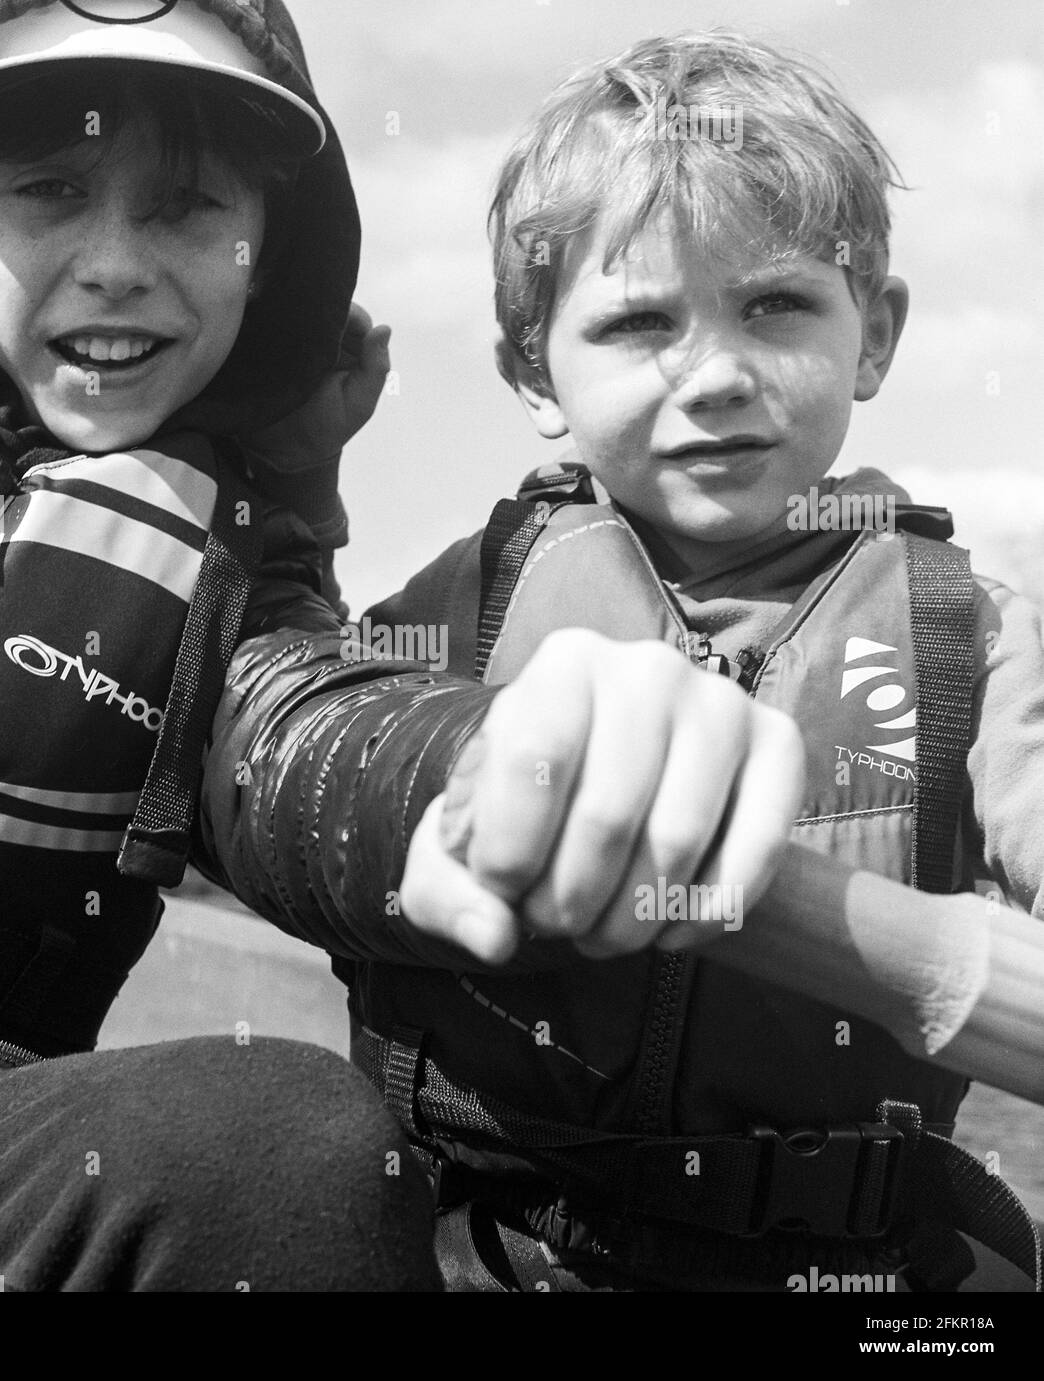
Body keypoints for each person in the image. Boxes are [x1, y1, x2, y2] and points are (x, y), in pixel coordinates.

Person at [201, 30, 1044, 1290]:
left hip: (834, 1262)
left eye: (775, 305)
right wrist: (297, 483)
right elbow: (287, 749)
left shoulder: (973, 637)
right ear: (532, 372)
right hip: (479, 1244)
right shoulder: (472, 597)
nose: (714, 374)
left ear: (874, 336)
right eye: (641, 320)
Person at [0, 0, 438, 1292]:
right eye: (47, 189)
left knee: (295, 1147)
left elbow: (327, 747)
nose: (116, 260)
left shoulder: (244, 581)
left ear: (268, 254)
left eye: (185, 210)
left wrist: (480, 778)